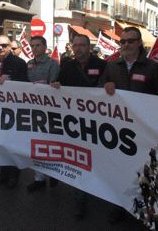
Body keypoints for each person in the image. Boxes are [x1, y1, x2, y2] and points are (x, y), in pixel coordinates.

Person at [100, 26, 158, 224]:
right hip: (119, 130)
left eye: (130, 41)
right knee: (119, 169)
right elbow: (97, 92)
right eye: (123, 41)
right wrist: (105, 87)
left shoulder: (153, 68)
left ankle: (145, 208)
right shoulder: (111, 67)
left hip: (144, 130)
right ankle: (119, 206)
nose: (126, 45)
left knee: (144, 170)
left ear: (139, 43)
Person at [51, 34, 107, 219]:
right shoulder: (67, 65)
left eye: (83, 45)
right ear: (72, 47)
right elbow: (60, 84)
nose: (79, 48)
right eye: (76, 45)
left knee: (96, 159)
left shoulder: (101, 65)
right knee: (79, 160)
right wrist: (57, 85)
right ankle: (79, 200)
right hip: (74, 123)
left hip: (96, 122)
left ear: (89, 47)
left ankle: (99, 191)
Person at [0, 35, 28, 188]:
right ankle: (3, 173)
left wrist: (10, 79)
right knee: (0, 144)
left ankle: (14, 176)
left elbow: (25, 85)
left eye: (4, 45)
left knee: (13, 144)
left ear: (10, 47)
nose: (0, 48)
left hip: (12, 110)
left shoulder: (19, 63)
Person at [25, 36, 60, 192]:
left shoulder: (53, 64)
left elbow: (52, 84)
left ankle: (53, 175)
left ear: (45, 47)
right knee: (36, 144)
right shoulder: (29, 64)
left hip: (50, 111)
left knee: (51, 145)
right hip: (33, 110)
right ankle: (38, 178)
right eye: (32, 46)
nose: (35, 48)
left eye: (38, 45)